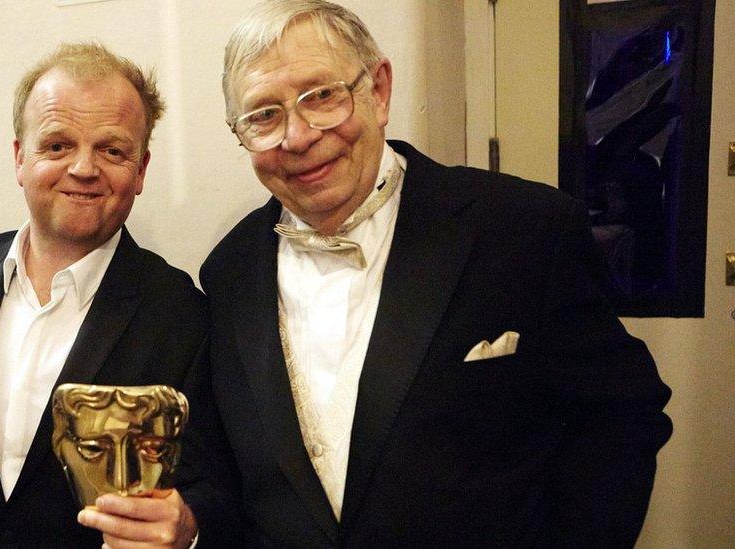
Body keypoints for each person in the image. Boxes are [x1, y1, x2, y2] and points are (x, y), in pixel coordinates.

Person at [194, 1, 674, 546]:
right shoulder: (228, 273)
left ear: (377, 91)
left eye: (321, 96)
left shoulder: (522, 230)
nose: (298, 136)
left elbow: (621, 415)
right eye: (264, 115)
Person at [0, 43, 209, 547]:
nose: (84, 169)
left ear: (141, 170)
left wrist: (188, 532)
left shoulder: (182, 311)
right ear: (21, 157)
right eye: (58, 145)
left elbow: (215, 486)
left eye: (112, 150)